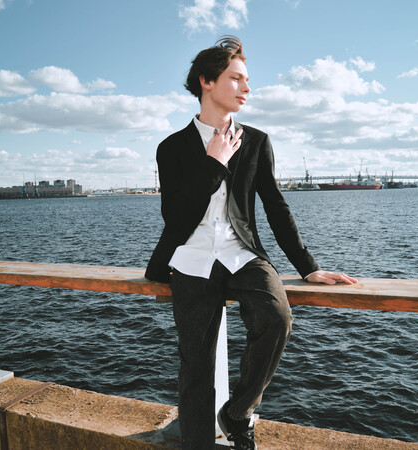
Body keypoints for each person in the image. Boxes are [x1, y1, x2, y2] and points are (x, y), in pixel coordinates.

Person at [145, 36, 357, 450]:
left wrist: (308, 267)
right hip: (189, 259)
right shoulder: (171, 148)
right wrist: (214, 163)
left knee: (277, 318)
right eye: (236, 78)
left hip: (242, 253)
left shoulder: (257, 141)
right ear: (207, 81)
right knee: (196, 368)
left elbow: (276, 206)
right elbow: (177, 217)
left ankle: (238, 412)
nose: (247, 88)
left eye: (247, 79)